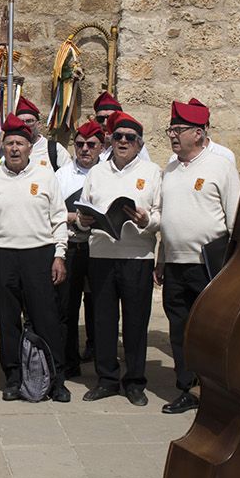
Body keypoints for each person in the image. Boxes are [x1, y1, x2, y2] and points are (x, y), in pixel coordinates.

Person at [156, 98, 240, 415]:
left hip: (207, 266)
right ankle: (186, 387)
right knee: (180, 330)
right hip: (176, 264)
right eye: (171, 129)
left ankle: (216, 389)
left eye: (179, 129)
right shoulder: (171, 167)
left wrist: (232, 267)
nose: (173, 135)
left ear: (199, 133)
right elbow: (167, 217)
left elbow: (233, 221)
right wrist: (162, 258)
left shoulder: (221, 166)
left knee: (210, 331)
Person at [0, 114, 69, 401]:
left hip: (39, 255)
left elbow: (58, 219)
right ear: (3, 148)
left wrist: (59, 255)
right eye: (9, 144)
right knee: (8, 321)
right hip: (4, 255)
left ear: (30, 147)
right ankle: (14, 377)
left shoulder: (45, 175)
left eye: (20, 143)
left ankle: (55, 379)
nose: (15, 149)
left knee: (46, 318)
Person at [78, 111, 161, 406]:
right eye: (118, 137)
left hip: (137, 256)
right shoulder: (97, 173)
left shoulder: (152, 172)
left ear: (139, 143)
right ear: (110, 141)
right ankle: (107, 379)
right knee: (103, 320)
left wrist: (146, 219)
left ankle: (135, 381)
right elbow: (83, 211)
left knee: (136, 322)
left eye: (130, 138)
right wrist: (83, 221)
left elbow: (162, 215)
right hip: (101, 254)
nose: (123, 142)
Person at [55, 118, 103, 383]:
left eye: (91, 145)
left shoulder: (107, 172)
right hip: (72, 247)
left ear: (100, 147)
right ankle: (68, 363)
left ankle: (101, 359)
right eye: (80, 144)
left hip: (100, 248)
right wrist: (74, 217)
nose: (85, 149)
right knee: (67, 308)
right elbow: (51, 211)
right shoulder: (62, 175)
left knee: (100, 306)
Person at [11, 95, 71, 172]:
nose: (25, 125)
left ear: (38, 125)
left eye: (29, 121)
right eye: (20, 122)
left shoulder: (54, 150)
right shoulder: (11, 150)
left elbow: (68, 177)